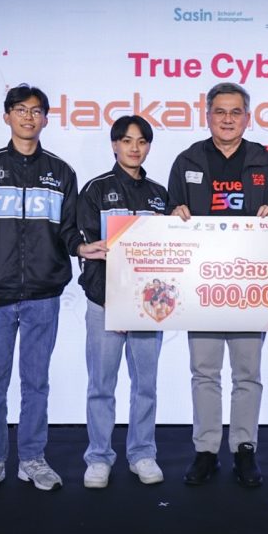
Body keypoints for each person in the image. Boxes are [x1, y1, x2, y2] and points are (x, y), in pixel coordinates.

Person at [0, 84, 106, 496]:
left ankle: (33, 459)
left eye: (36, 111)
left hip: (43, 296)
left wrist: (81, 248)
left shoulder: (61, 173)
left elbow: (69, 230)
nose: (28, 117)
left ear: (45, 118)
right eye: (20, 110)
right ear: (7, 116)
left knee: (36, 383)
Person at [167, 82, 268, 488]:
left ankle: (244, 449)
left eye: (235, 112)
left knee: (247, 373)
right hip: (201, 286)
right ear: (207, 116)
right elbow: (167, 217)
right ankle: (205, 451)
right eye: (219, 111)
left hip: (249, 286)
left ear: (247, 117)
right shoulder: (187, 160)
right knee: (204, 372)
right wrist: (174, 214)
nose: (227, 119)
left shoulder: (265, 162)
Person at [77, 115, 169, 488]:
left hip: (149, 306)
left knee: (145, 385)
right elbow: (84, 245)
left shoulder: (160, 195)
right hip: (104, 302)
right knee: (101, 385)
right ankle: (99, 457)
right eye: (127, 140)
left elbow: (172, 253)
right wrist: (110, 295)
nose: (134, 148)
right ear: (114, 145)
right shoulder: (95, 190)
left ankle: (142, 453)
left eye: (142, 141)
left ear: (148, 147)